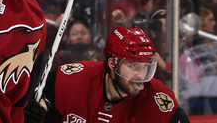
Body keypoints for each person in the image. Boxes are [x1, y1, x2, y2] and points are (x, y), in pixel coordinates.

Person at [33, 26, 189, 122]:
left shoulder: (160, 103)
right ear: (112, 64)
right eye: (133, 65)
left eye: (146, 66)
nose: (141, 75)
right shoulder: (68, 81)